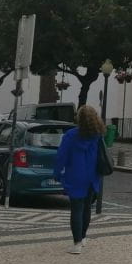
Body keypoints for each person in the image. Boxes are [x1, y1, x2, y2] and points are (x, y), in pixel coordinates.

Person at [53, 105, 105, 254]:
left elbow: (61, 157)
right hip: (92, 176)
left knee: (76, 209)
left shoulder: (70, 135)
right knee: (87, 208)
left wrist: (57, 173)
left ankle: (76, 243)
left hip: (75, 175)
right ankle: (82, 238)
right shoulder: (98, 135)